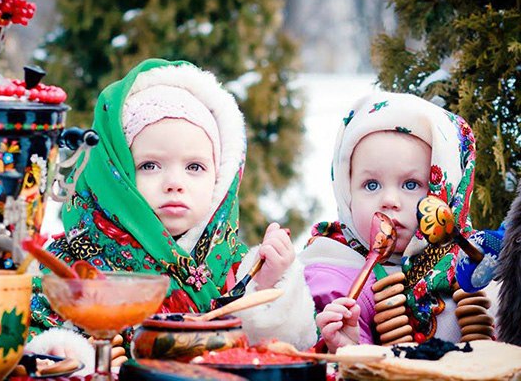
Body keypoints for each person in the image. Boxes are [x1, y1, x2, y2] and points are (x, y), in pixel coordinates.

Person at [26, 58, 317, 370]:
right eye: (150, 165)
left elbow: (278, 355)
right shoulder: (67, 268)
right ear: (115, 176)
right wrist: (63, 353)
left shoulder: (236, 267)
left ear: (220, 179)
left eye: (195, 167)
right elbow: (31, 331)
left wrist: (270, 286)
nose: (175, 183)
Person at [300, 92, 502, 353]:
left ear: (446, 193)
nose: (389, 200)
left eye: (411, 184)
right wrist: (349, 347)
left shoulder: (481, 266)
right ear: (346, 191)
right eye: (371, 185)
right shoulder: (333, 275)